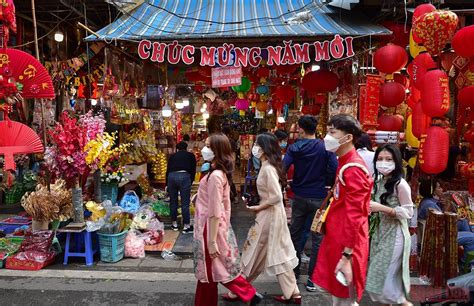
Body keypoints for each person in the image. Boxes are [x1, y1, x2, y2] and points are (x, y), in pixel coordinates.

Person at [225, 133, 300, 304]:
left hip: (269, 216)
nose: (255, 148)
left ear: (265, 147)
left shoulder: (267, 168)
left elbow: (275, 197)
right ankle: (293, 293)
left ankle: (239, 289)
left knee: (253, 251)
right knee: (277, 252)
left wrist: (258, 207)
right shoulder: (268, 166)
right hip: (272, 215)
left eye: (258, 144)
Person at [193, 134, 263, 306]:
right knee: (212, 270)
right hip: (211, 225)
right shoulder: (216, 172)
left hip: (209, 227)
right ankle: (248, 294)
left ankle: (248, 293)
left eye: (208, 146)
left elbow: (215, 211)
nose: (204, 149)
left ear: (217, 151)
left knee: (211, 271)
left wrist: (211, 241)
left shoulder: (215, 175)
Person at [313, 114, 373, 306]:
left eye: (332, 132)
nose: (327, 137)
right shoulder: (345, 163)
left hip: (347, 243)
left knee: (344, 298)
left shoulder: (353, 168)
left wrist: (347, 255)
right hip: (339, 237)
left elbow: (356, 216)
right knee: (339, 296)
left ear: (348, 138)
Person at [283, 115, 337, 291]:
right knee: (318, 239)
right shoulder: (325, 147)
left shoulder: (294, 147)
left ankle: (294, 273)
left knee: (295, 235)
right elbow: (334, 168)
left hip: (298, 196)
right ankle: (313, 279)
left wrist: (287, 183)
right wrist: (327, 183)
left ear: (301, 129)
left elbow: (283, 167)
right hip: (319, 198)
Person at [366, 144, 413, 305]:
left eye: (388, 159)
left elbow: (408, 212)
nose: (383, 162)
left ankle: (403, 302)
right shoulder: (378, 181)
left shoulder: (400, 184)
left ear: (397, 161)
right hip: (379, 233)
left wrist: (383, 208)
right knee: (381, 280)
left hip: (395, 235)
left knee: (382, 280)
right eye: (380, 159)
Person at [166, 141, 196, 233]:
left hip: (171, 176)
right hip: (184, 176)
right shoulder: (190, 156)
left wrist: (166, 183)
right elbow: (193, 169)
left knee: (173, 201)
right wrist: (190, 181)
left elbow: (167, 170)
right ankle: (186, 226)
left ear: (177, 148)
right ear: (186, 148)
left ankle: (174, 224)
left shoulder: (172, 156)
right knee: (185, 203)